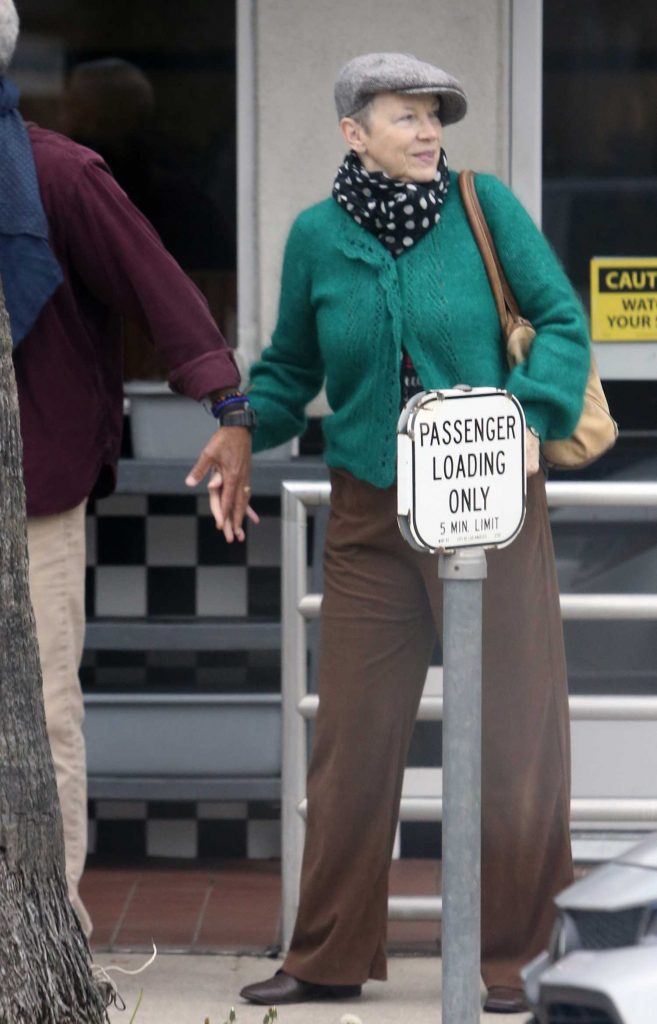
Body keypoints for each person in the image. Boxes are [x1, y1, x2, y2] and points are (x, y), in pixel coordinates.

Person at [235, 52, 590, 1014]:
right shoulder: (316, 237)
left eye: (435, 115)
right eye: (405, 116)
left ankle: (515, 960)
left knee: (515, 740)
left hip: (487, 502)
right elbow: (287, 371)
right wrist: (237, 422)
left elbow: (561, 320)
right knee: (350, 739)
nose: (428, 131)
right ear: (354, 132)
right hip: (365, 514)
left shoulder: (484, 206)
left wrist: (528, 410)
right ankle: (327, 958)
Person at [0, 0, 256, 938]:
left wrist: (229, 410)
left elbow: (163, 288)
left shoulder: (60, 174)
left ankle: (46, 935)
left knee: (41, 718)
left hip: (35, 490)